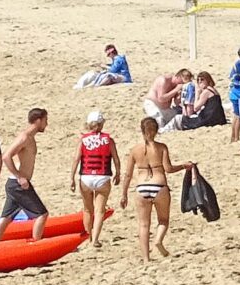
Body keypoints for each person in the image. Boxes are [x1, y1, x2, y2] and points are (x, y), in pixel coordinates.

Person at [120, 114, 179, 259]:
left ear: (142, 131)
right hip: (159, 186)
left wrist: (124, 194)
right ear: (157, 130)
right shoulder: (161, 147)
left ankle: (146, 258)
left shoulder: (135, 150)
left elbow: (127, 175)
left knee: (143, 225)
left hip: (141, 187)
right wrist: (184, 166)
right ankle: (158, 241)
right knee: (163, 220)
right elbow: (168, 168)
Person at [0, 108, 49, 234]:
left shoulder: (30, 138)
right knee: (42, 214)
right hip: (19, 184)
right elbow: (6, 156)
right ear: (38, 120)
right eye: (45, 120)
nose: (47, 124)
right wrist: (19, 177)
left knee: (6, 218)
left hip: (15, 184)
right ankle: (36, 247)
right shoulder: (25, 137)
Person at [72, 109, 119, 244]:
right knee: (99, 211)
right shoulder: (108, 140)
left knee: (87, 210)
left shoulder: (83, 140)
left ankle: (89, 236)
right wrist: (118, 173)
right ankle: (96, 239)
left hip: (86, 177)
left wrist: (72, 178)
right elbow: (115, 159)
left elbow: (76, 159)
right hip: (102, 177)